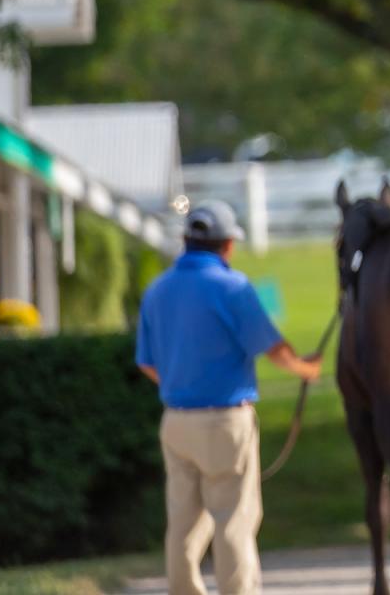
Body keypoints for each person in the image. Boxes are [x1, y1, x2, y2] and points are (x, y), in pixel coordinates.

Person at [135, 201, 323, 595]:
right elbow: (274, 349)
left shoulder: (157, 291)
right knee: (233, 520)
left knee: (183, 522)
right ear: (226, 245)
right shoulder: (233, 286)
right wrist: (308, 370)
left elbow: (147, 363)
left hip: (176, 420)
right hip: (225, 421)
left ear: (187, 241)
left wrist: (181, 382)